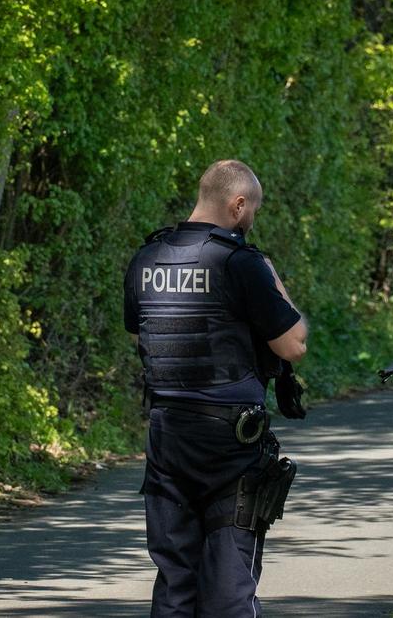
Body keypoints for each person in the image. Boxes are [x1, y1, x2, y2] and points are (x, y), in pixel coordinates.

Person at [123, 159, 309, 617]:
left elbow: (139, 335)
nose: (252, 220)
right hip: (230, 448)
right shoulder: (240, 263)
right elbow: (292, 345)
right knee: (228, 587)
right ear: (238, 204)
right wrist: (273, 279)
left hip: (167, 440)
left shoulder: (147, 258)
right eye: (253, 210)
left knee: (175, 584)